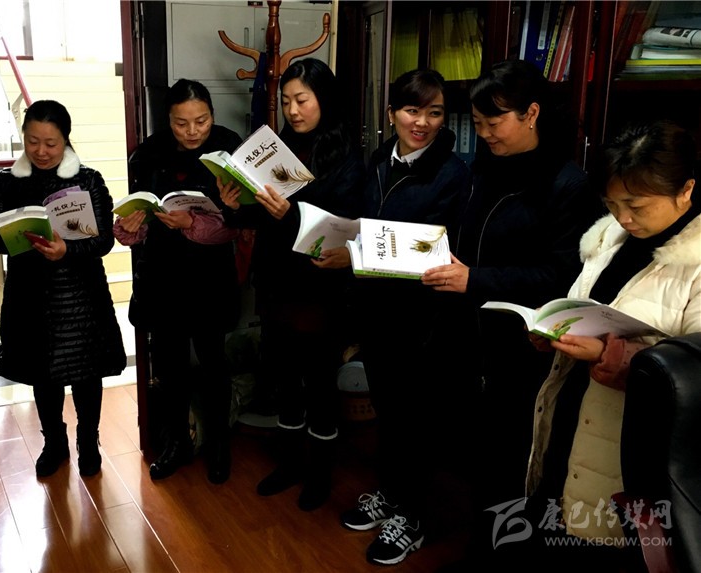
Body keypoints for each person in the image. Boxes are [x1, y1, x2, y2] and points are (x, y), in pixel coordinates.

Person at [419, 59, 603, 561]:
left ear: (532, 113)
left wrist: (475, 279)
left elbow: (561, 277)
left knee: (516, 467)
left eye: (493, 122)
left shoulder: (567, 183)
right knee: (478, 462)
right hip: (470, 338)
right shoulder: (485, 167)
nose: (484, 134)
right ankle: (481, 549)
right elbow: (469, 238)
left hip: (525, 351)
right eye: (477, 123)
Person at [518, 120, 699, 571]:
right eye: (612, 204)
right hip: (571, 414)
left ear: (686, 190)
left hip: (633, 447)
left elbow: (695, 376)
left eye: (635, 205)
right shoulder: (610, 237)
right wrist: (555, 331)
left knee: (606, 548)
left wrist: (609, 356)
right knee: (556, 526)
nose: (623, 218)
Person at [330, 69, 471, 565]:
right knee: (389, 415)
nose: (422, 122)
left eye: (435, 112)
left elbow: (435, 248)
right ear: (391, 113)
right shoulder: (379, 160)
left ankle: (413, 518)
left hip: (421, 320)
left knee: (416, 423)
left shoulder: (453, 173)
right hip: (377, 313)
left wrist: (359, 256)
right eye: (413, 110)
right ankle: (391, 495)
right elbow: (366, 225)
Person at [219, 58, 365, 511]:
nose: (293, 110)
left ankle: (319, 473)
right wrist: (233, 206)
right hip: (278, 280)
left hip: (319, 285)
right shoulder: (276, 147)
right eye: (286, 101)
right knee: (282, 376)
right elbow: (259, 214)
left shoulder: (347, 154)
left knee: (319, 381)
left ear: (325, 99)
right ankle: (289, 463)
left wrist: (293, 211)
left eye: (302, 100)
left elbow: (345, 218)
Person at [0, 100, 126, 479]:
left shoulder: (88, 180)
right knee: (43, 376)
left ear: (66, 140)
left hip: (80, 297)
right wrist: (18, 236)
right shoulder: (8, 182)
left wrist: (67, 250)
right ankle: (54, 442)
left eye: (51, 143)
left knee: (86, 374)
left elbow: (104, 240)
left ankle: (88, 441)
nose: (41, 151)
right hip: (30, 296)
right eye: (32, 141)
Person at [113, 79, 241, 484]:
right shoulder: (148, 154)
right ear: (167, 120)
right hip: (162, 274)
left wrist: (192, 223)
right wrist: (131, 226)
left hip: (210, 275)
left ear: (212, 115)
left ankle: (219, 445)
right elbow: (138, 217)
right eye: (180, 123)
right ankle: (177, 443)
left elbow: (238, 223)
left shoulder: (229, 149)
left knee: (213, 363)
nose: (191, 131)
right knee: (169, 367)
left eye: (201, 121)